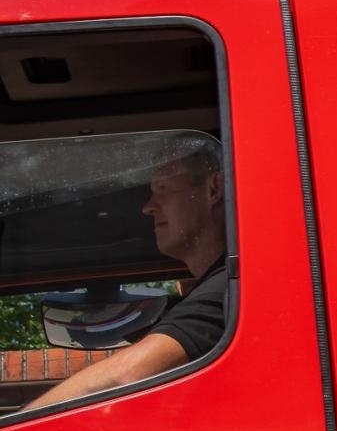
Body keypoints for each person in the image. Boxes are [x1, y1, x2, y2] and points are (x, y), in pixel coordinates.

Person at [25, 146, 227, 410]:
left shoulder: (230, 291)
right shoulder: (218, 289)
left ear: (213, 189)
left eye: (163, 189)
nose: (148, 207)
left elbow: (123, 377)